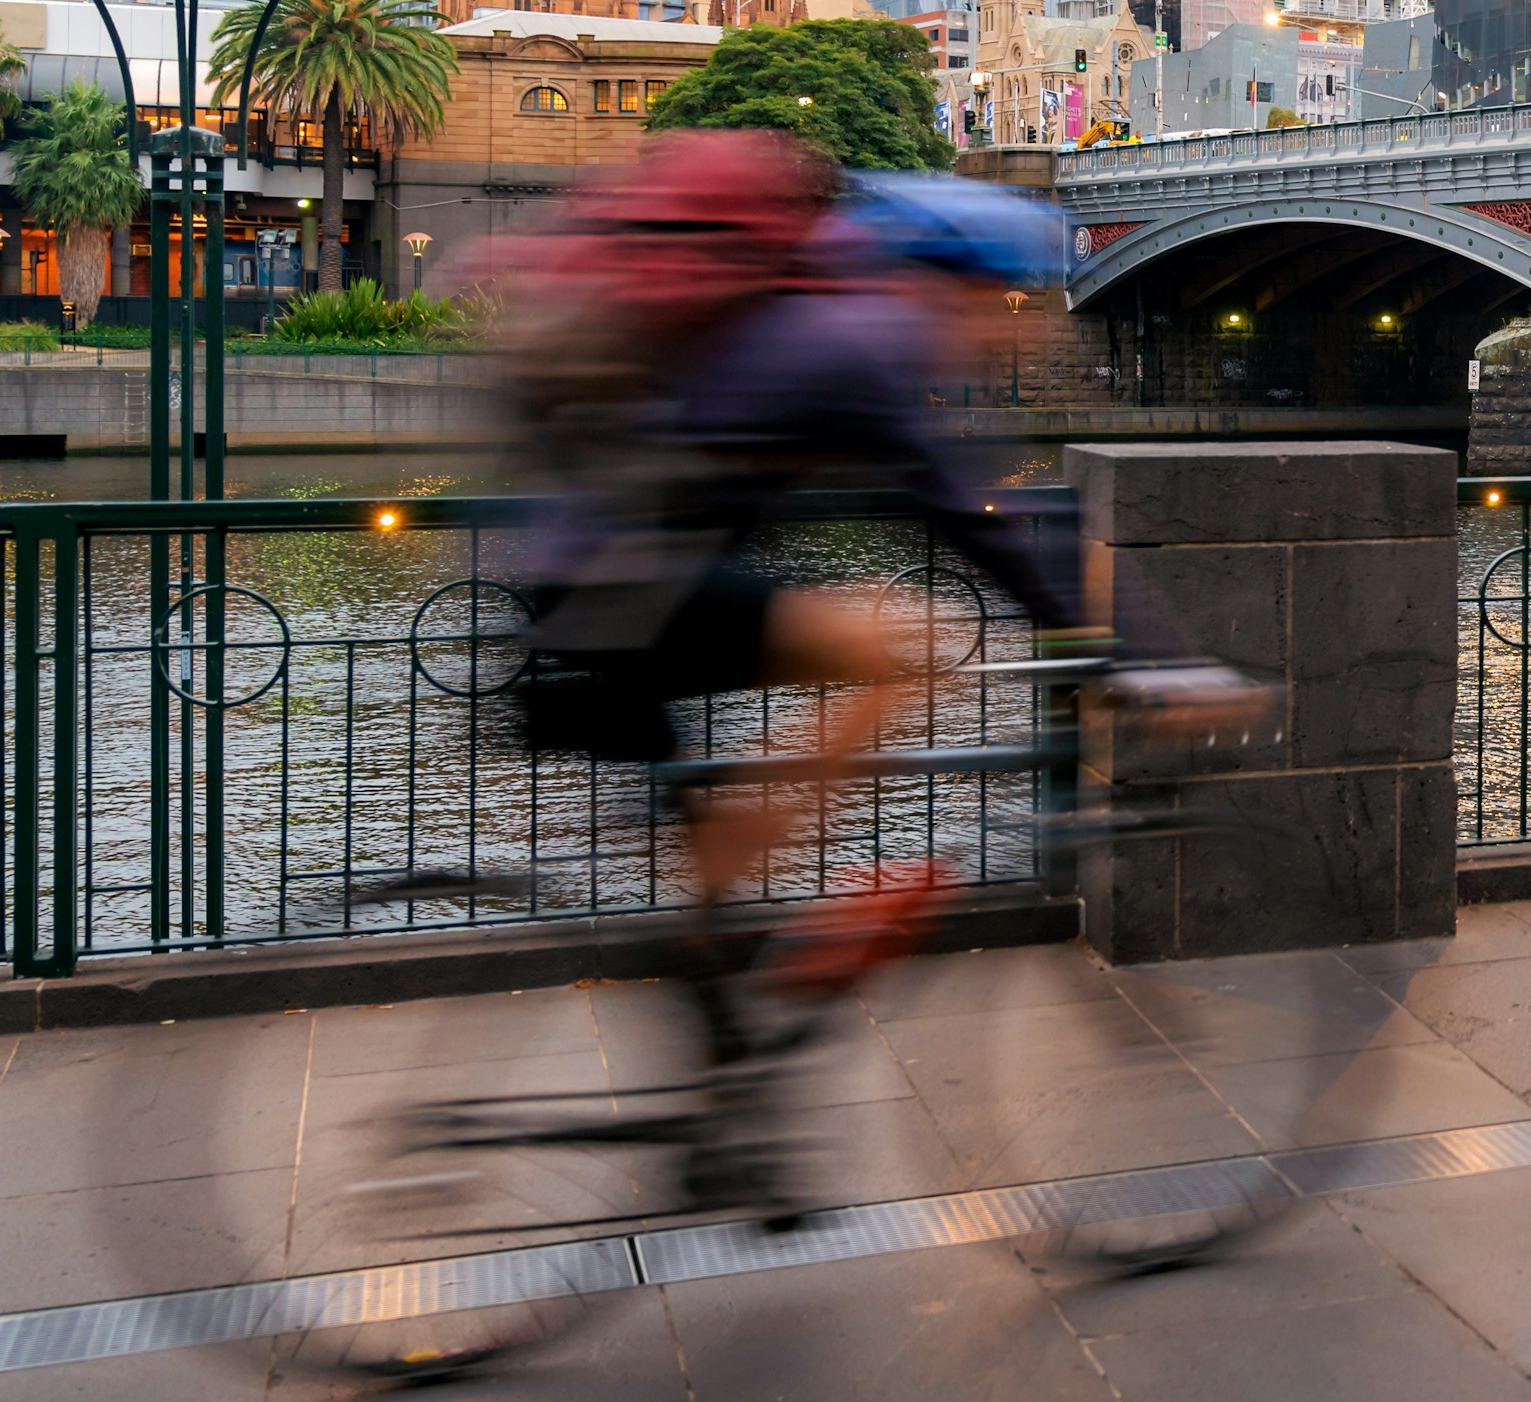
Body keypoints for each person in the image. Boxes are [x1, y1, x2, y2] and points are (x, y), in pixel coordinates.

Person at [506, 133, 1254, 1189]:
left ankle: (728, 1099)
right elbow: (975, 522)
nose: (1008, 327)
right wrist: (1134, 660)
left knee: (779, 779)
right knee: (915, 645)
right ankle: (790, 917)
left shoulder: (814, 326)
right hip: (625, 590)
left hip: (608, 576)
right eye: (1000, 300)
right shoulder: (858, 341)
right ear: (941, 283)